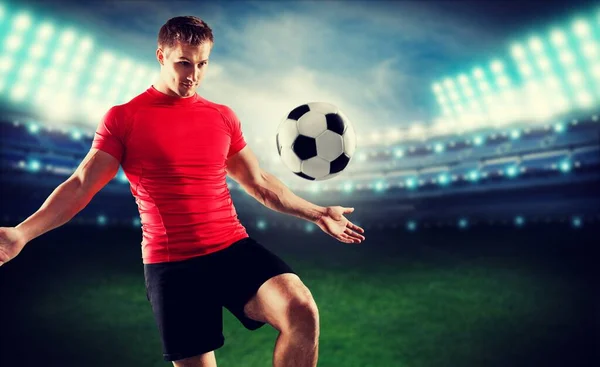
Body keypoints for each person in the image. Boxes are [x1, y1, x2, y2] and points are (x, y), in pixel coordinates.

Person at [0, 15, 365, 367]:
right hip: (172, 268)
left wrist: (318, 213)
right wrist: (21, 233)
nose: (193, 76)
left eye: (202, 64)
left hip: (231, 247)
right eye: (183, 64)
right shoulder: (124, 118)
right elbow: (81, 185)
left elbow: (260, 183)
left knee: (301, 310)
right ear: (161, 56)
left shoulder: (222, 116)